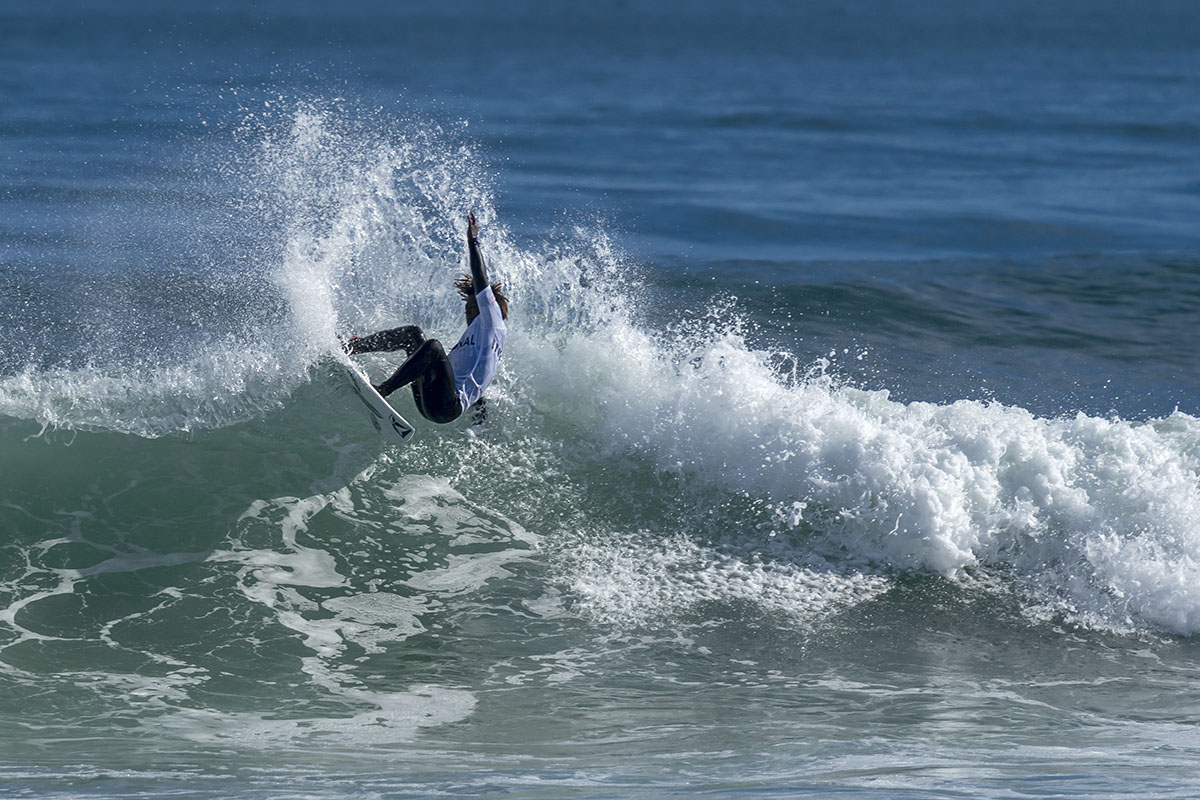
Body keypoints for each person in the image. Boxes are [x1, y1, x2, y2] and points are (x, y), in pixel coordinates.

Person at [344, 212, 508, 424]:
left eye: (473, 308)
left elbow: (480, 276)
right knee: (413, 335)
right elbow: (477, 379)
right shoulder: (478, 340)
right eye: (467, 308)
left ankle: (383, 390)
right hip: (430, 397)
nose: (467, 312)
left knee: (434, 347)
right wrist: (479, 416)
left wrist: (473, 240)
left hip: (446, 408)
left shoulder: (493, 321)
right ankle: (354, 347)